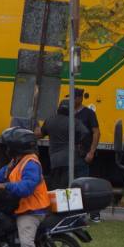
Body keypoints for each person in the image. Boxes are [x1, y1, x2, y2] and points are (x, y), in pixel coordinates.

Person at [37, 98, 90, 190]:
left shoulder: (50, 120)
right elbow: (85, 132)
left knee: (57, 187)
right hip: (71, 160)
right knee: (73, 186)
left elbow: (40, 134)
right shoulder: (74, 122)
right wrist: (81, 146)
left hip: (55, 160)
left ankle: (58, 203)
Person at [73, 88, 102, 221]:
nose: (71, 100)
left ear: (80, 98)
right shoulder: (67, 113)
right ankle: (75, 213)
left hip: (83, 154)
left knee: (85, 185)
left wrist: (91, 151)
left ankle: (95, 213)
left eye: (74, 97)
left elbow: (96, 132)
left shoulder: (89, 113)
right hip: (69, 154)